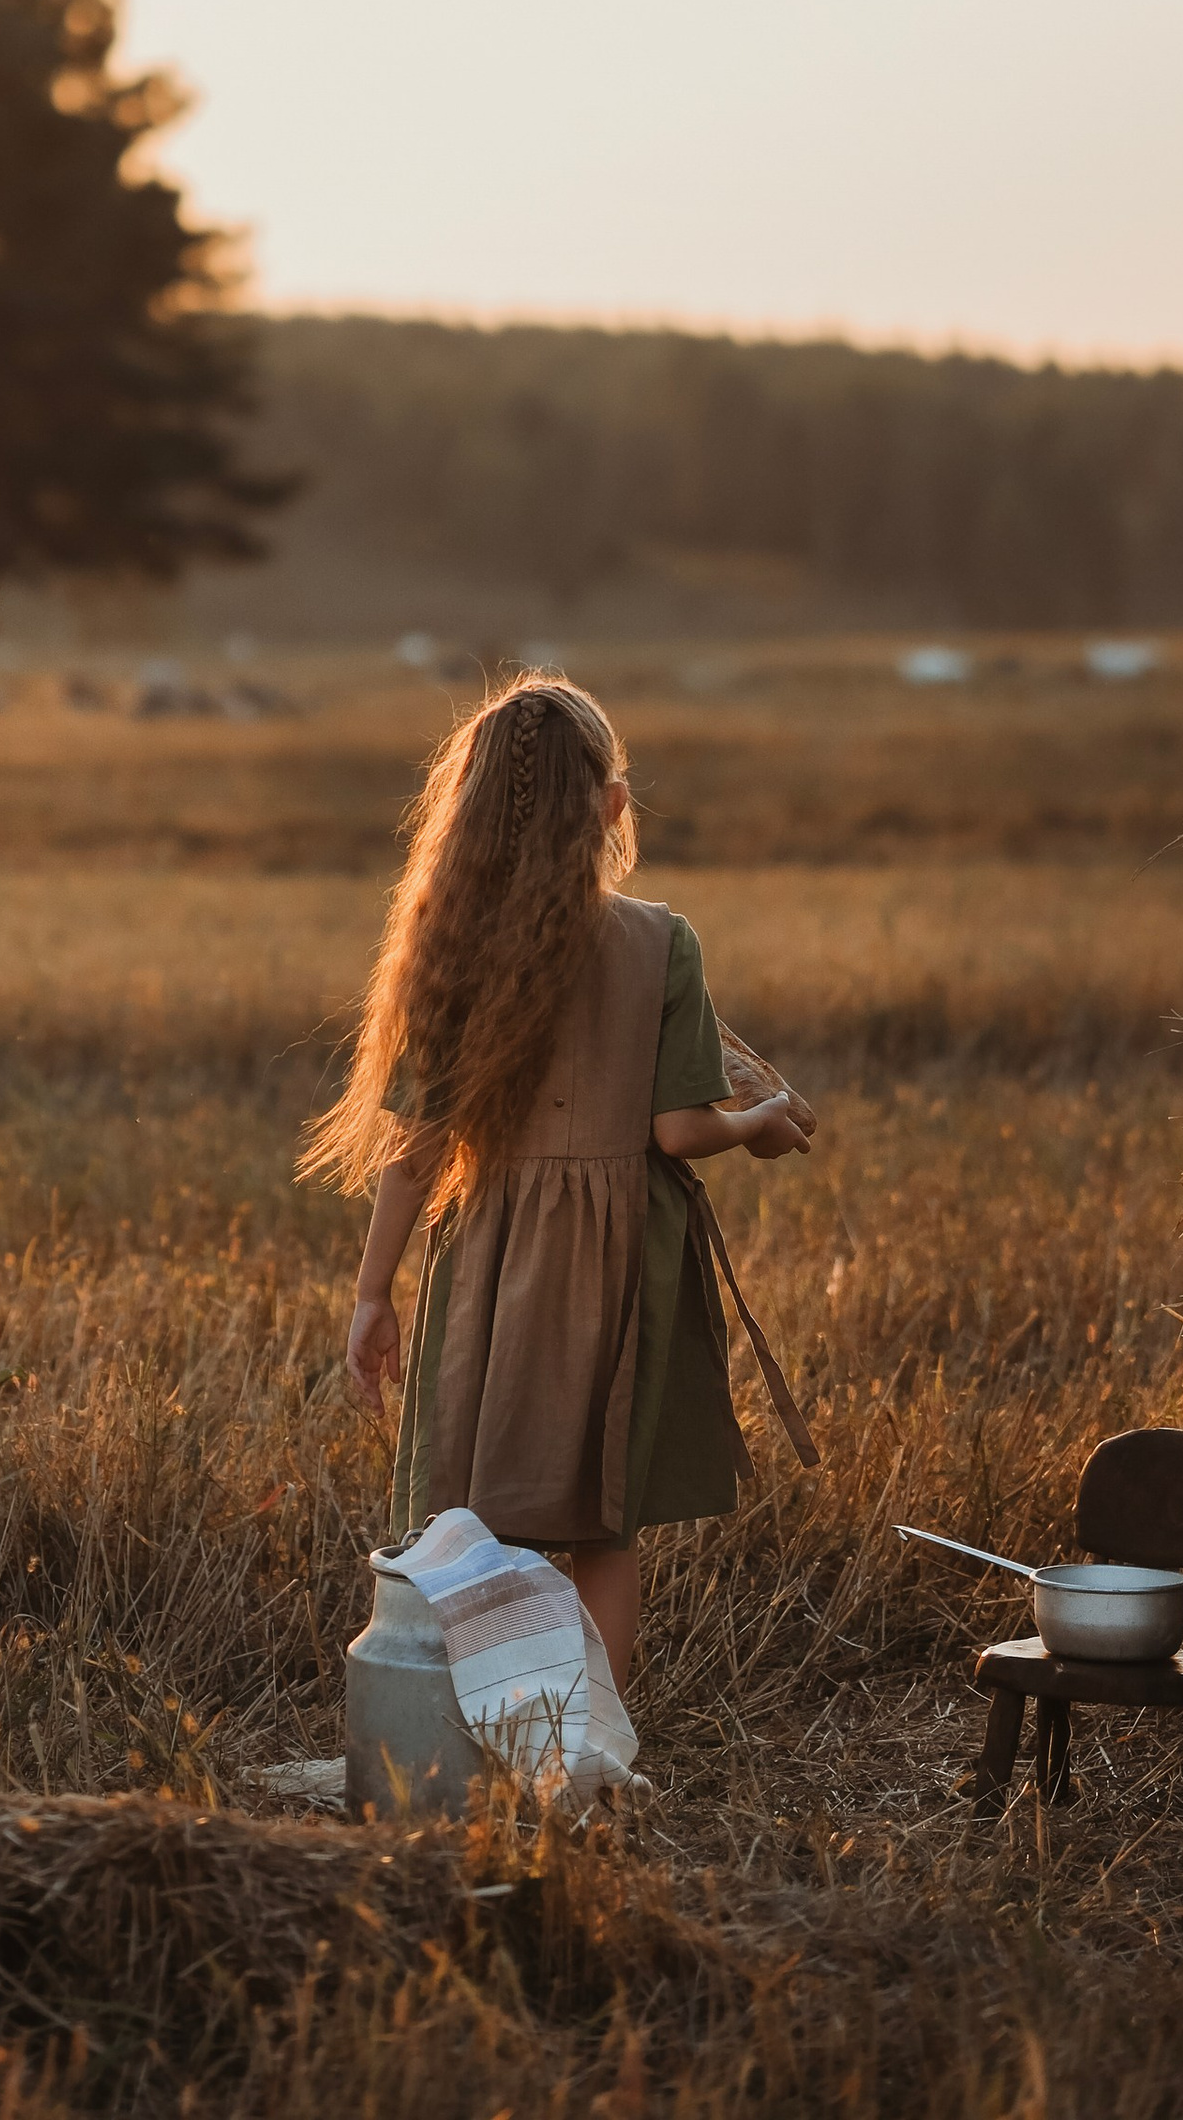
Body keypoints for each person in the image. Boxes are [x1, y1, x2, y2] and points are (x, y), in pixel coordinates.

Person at [305, 670, 815, 1696]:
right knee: (601, 1527)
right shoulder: (660, 941)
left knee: (474, 1518)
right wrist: (759, 1124)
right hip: (622, 1265)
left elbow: (415, 1149)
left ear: (471, 813)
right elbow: (678, 1131)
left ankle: (474, 1722)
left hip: (489, 1262)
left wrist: (371, 1293)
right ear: (614, 806)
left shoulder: (451, 947)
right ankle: (587, 1738)